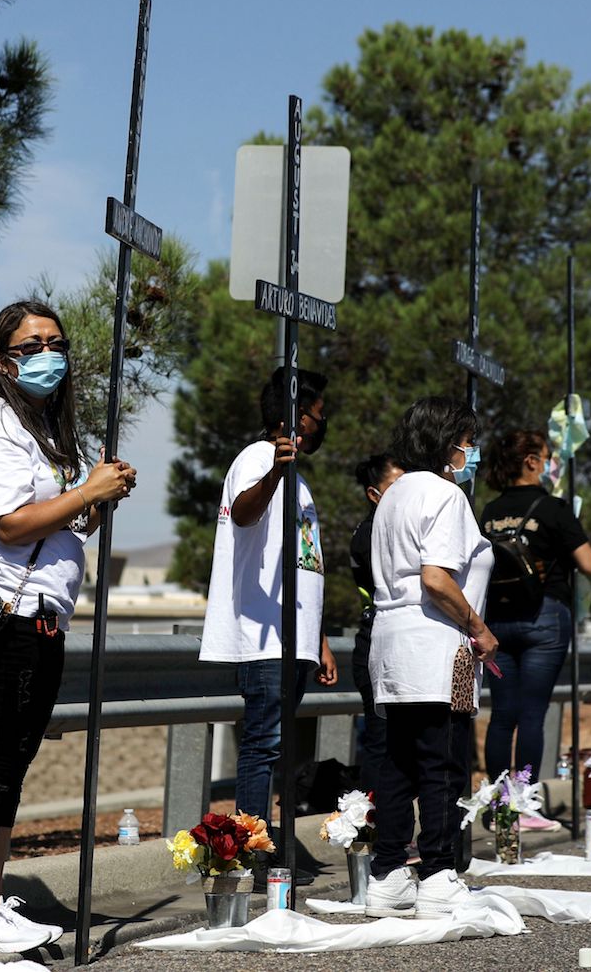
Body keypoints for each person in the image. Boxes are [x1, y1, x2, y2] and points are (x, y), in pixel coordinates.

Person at [0, 300, 136, 954]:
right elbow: (10, 522)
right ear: (3, 361)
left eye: (55, 342)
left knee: (10, 766)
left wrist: (97, 497)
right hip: (6, 615)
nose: (47, 353)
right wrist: (85, 492)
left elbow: (68, 523)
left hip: (45, 618)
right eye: (30, 345)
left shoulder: (46, 429)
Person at [199, 367, 338, 882]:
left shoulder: (296, 479)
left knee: (277, 751)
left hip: (294, 638)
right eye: (318, 417)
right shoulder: (258, 460)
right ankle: (250, 856)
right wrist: (276, 472)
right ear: (295, 418)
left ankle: (268, 849)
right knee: (262, 749)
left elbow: (302, 566)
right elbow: (242, 513)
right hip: (264, 638)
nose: (322, 426)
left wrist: (318, 638)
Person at [363, 397, 496, 918]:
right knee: (444, 764)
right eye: (467, 440)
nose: (471, 451)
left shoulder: (393, 496)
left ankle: (390, 873)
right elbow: (436, 578)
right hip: (440, 644)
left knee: (398, 763)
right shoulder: (446, 495)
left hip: (392, 645)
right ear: (449, 444)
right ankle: (440, 873)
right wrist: (479, 628)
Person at [478, 430, 591, 794]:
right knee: (532, 715)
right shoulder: (553, 508)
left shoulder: (490, 511)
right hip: (543, 616)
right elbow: (589, 564)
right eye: (546, 457)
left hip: (496, 620)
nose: (549, 465)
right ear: (531, 461)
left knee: (501, 715)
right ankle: (525, 799)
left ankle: (499, 801)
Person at [350, 453, 402, 791]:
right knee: (382, 744)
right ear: (374, 494)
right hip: (376, 645)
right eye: (396, 487)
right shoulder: (371, 533)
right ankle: (371, 829)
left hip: (390, 644)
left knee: (399, 747)